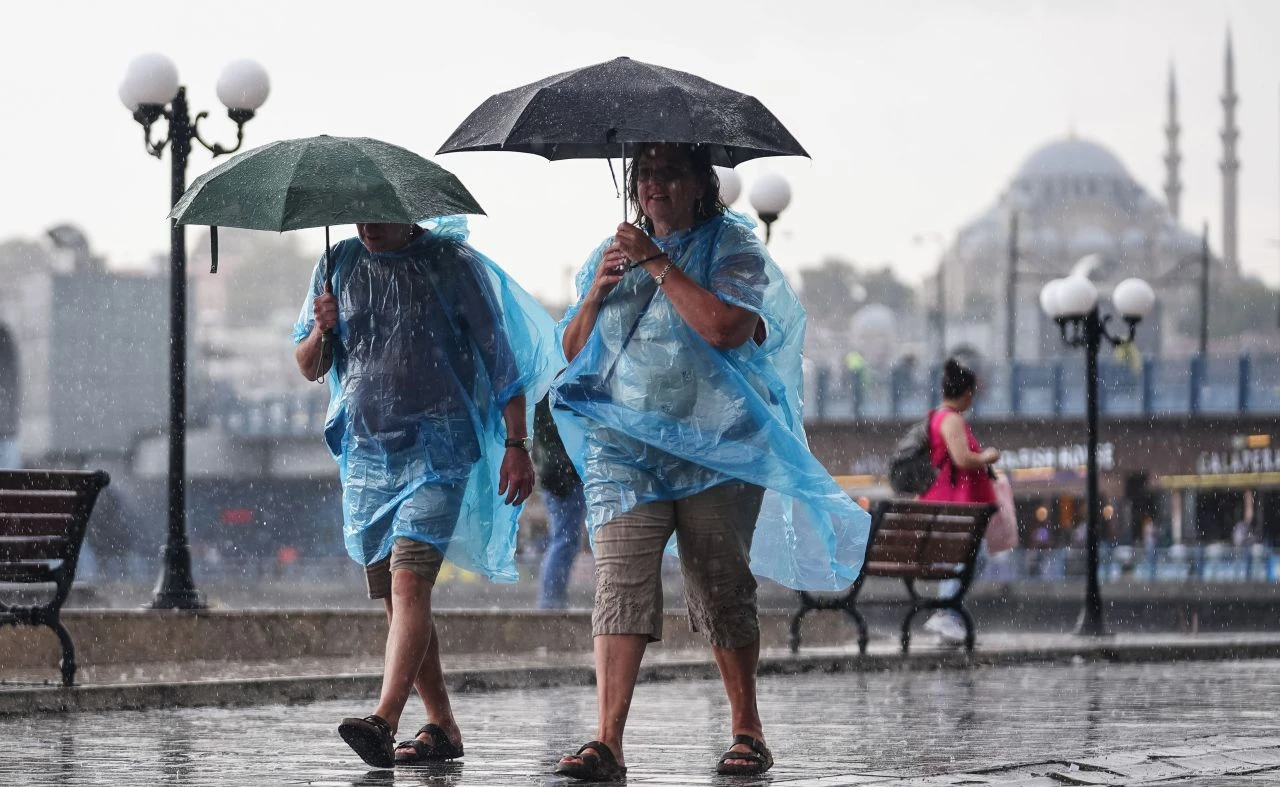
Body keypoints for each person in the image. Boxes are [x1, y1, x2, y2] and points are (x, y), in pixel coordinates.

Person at [550, 143, 871, 780]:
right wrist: (595, 294)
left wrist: (657, 264)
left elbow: (726, 328)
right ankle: (607, 740)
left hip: (717, 448)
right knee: (619, 583)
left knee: (720, 586)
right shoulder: (608, 252)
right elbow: (572, 346)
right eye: (644, 173)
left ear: (703, 183)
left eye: (669, 172)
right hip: (624, 449)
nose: (653, 184)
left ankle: (747, 727)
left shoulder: (736, 250)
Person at [293, 217, 556, 768]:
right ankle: (441, 725)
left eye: (380, 215)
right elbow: (309, 365)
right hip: (368, 460)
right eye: (359, 215)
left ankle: (383, 719)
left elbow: (500, 361)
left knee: (410, 582)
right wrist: (322, 329)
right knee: (398, 600)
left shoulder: (450, 265)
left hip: (438, 452)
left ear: (408, 209)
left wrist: (516, 443)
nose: (367, 226)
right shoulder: (338, 263)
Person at [919, 358, 1000, 645]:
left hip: (951, 500)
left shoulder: (940, 417)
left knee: (961, 559)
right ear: (965, 393)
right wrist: (988, 456)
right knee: (966, 559)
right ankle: (946, 614)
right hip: (954, 501)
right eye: (972, 394)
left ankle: (947, 616)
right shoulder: (951, 419)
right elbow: (962, 459)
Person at [533, 395, 587, 610]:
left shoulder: (542, 394)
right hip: (562, 475)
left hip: (556, 473)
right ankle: (551, 600)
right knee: (565, 538)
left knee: (565, 537)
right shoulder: (552, 395)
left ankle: (552, 599)